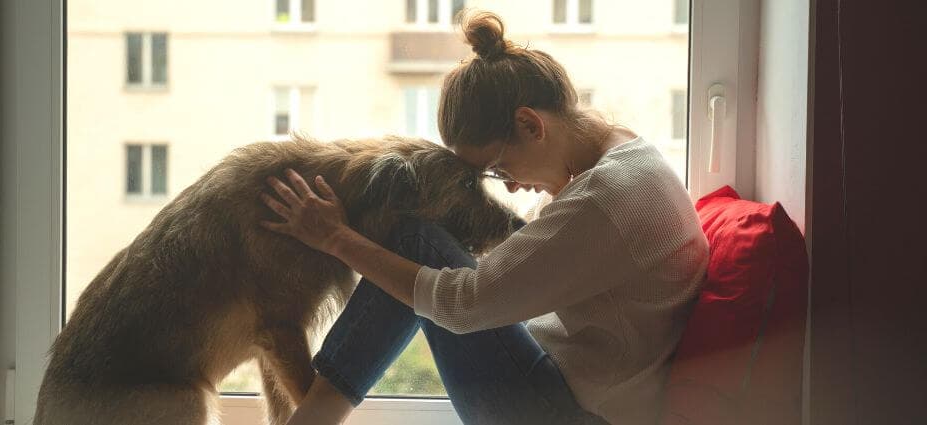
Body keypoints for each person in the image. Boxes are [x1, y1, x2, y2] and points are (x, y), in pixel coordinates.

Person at [258, 10, 709, 425]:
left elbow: (463, 305)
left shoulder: (606, 197)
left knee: (416, 245)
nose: (509, 186)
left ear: (531, 125)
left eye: (497, 169)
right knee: (424, 254)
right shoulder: (623, 153)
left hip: (571, 414)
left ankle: (313, 419)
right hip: (566, 387)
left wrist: (336, 239)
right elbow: (527, 265)